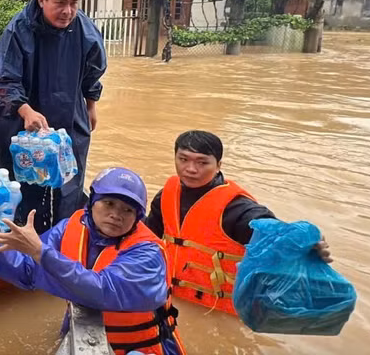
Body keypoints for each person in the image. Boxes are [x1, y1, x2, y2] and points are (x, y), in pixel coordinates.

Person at [0, 168, 186, 355]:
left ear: (137, 217)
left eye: (128, 210)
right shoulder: (70, 227)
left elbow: (102, 291)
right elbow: (27, 271)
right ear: (92, 202)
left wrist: (41, 252)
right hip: (85, 333)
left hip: (141, 349)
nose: (116, 215)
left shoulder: (148, 254)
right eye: (109, 203)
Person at [143, 130, 333, 316]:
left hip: (221, 311)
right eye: (183, 159)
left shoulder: (236, 208)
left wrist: (300, 244)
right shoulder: (165, 196)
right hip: (172, 299)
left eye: (202, 162)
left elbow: (267, 228)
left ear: (218, 165)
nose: (191, 169)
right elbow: (146, 237)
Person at [0, 0, 107, 233]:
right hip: (21, 119)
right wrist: (25, 109)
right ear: (42, 0)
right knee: (26, 185)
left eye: (74, 3)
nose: (67, 11)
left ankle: (64, 240)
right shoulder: (18, 29)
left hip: (70, 112)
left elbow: (94, 70)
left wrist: (91, 105)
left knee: (69, 184)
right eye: (60, 2)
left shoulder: (85, 30)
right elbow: (5, 78)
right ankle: (31, 238)